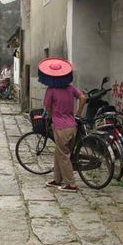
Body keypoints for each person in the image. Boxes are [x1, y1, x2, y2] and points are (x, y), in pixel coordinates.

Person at [41, 58, 86, 192]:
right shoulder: (71, 88)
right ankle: (57, 179)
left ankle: (70, 184)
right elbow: (83, 98)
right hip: (72, 126)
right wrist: (78, 113)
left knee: (64, 155)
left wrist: (49, 113)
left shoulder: (51, 90)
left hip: (60, 127)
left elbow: (47, 108)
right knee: (59, 152)